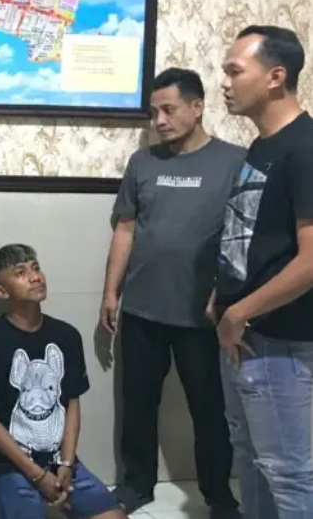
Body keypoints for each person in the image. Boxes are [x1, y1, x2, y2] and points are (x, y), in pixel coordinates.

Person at [100, 67, 243, 516]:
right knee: (138, 405)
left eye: (168, 110)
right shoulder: (143, 163)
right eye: (153, 112)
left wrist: (228, 295)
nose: (159, 121)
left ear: (197, 108)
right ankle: (135, 486)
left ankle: (218, 494)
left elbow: (242, 237)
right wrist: (110, 292)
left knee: (210, 409)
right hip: (143, 310)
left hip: (203, 315)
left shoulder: (235, 161)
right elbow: (125, 229)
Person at [214, 24, 313, 519]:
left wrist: (239, 312)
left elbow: (311, 260)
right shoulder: (262, 146)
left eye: (235, 71)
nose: (225, 83)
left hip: (280, 341)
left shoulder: (305, 148)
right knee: (251, 462)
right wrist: (221, 296)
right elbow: (253, 234)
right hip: (243, 335)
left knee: (290, 475)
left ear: (276, 77)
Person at [0, 244, 126, 519]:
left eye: (36, 268)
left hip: (58, 460)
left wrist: (67, 463)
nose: (35, 277)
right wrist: (37, 476)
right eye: (20, 272)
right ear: (1, 291)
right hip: (7, 465)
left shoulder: (66, 335)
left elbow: (72, 403)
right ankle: (0, 504)